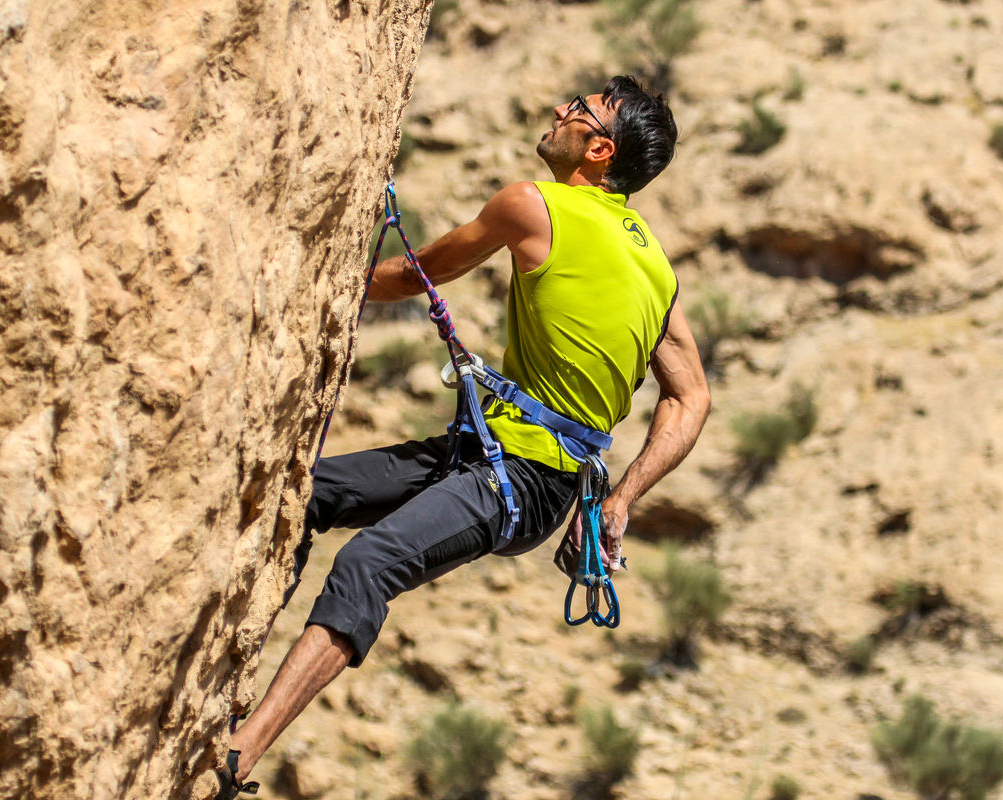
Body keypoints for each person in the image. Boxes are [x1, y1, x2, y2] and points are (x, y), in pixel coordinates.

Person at [214, 75, 710, 798]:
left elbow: (409, 278)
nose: (559, 110)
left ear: (599, 149)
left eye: (579, 110)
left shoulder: (532, 206)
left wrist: (302, 270)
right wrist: (619, 500)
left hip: (520, 479)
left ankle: (237, 757)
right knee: (309, 493)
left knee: (367, 564)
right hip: (504, 467)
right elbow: (691, 396)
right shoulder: (656, 268)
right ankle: (230, 673)